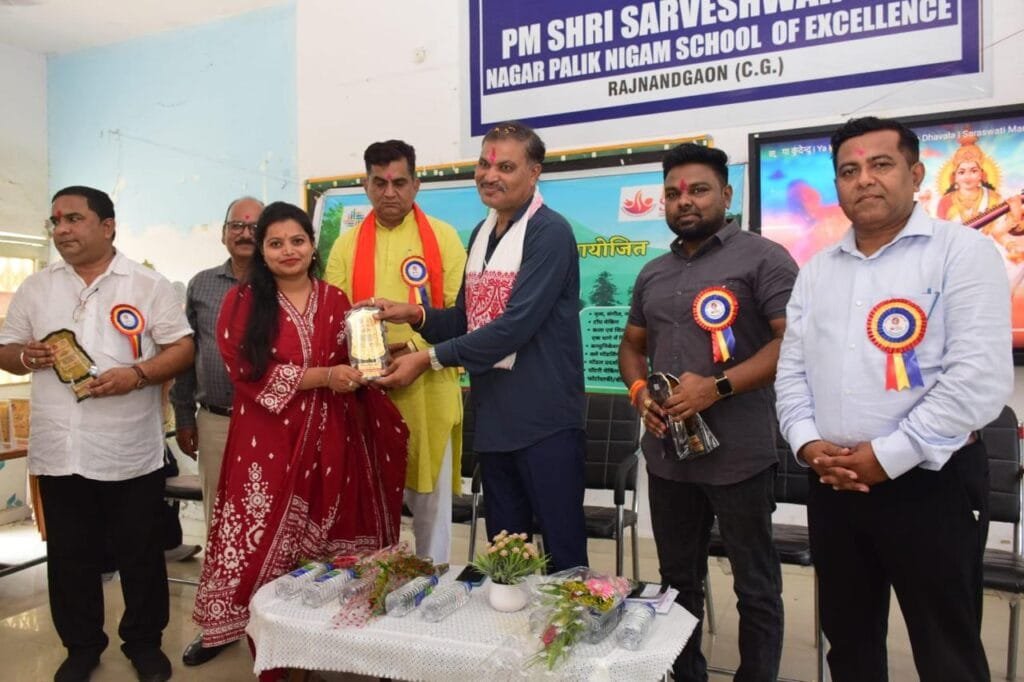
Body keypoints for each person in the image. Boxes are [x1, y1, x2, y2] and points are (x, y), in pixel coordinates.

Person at [775, 116, 1013, 682]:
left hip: (932, 483)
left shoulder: (964, 252)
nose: (864, 179)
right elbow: (792, 373)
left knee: (947, 650)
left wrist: (888, 456)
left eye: (880, 164)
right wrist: (807, 444)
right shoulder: (816, 271)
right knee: (849, 645)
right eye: (849, 170)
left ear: (916, 173)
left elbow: (977, 379)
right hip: (835, 483)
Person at [190, 201, 408, 658]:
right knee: (259, 536)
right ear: (262, 251)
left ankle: (321, 645)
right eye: (276, 243)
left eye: (297, 240)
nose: (288, 250)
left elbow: (353, 360)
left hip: (334, 437)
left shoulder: (336, 299)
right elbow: (246, 372)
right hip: (267, 440)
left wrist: (381, 358)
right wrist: (324, 376)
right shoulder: (242, 302)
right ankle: (247, 634)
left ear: (312, 246)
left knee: (329, 540)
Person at [373, 121, 588, 572]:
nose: (490, 176)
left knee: (563, 556)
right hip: (495, 420)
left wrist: (428, 359)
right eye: (484, 164)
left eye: (506, 167)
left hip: (545, 422)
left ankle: (568, 621)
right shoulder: (482, 233)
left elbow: (513, 327)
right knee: (506, 556)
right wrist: (415, 314)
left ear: (534, 172)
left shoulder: (549, 232)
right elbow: (468, 319)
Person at [0, 186, 194, 682]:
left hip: (128, 450)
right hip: (60, 450)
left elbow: (182, 348)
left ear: (108, 227)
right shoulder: (37, 287)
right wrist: (25, 356)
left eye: (74, 218)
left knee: (140, 554)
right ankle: (82, 647)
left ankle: (144, 644)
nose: (62, 229)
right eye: (55, 221)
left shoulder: (148, 285)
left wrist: (138, 375)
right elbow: (5, 348)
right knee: (69, 557)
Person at [618, 143, 795, 681]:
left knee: (755, 585)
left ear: (726, 193)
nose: (684, 201)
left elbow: (792, 343)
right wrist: (641, 393)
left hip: (740, 455)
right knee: (677, 583)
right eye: (673, 193)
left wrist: (715, 388)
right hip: (669, 457)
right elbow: (631, 346)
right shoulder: (653, 272)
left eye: (698, 190)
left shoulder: (764, 258)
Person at [324, 140, 466, 565]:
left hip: (429, 390)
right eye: (380, 183)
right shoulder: (346, 245)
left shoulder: (444, 237)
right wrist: (370, 352)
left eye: (399, 183)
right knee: (367, 504)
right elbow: (333, 317)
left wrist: (415, 348)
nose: (390, 193)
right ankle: (373, 589)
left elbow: (462, 313)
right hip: (366, 393)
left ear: (416, 185)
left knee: (431, 512)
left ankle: (432, 584)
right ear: (365, 185)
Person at [168, 196, 262, 665]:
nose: (245, 233)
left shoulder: (282, 280)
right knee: (220, 525)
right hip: (217, 421)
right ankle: (220, 625)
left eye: (255, 226)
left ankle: (269, 625)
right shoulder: (202, 285)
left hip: (272, 424)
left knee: (270, 523)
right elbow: (187, 357)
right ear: (224, 232)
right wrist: (184, 415)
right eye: (236, 225)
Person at [931, 131, 1024, 260]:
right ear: (955, 177)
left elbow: (998, 233)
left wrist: (1011, 244)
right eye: (962, 172)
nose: (967, 177)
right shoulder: (945, 202)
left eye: (973, 171)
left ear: (981, 174)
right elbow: (941, 239)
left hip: (987, 256)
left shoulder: (994, 198)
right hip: (955, 259)